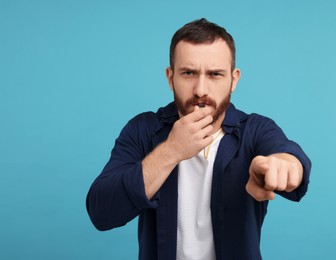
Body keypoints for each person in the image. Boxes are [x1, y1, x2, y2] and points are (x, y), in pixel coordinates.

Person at [86, 18, 311, 260]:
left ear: (233, 80)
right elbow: (101, 211)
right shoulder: (142, 130)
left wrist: (284, 165)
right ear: (170, 77)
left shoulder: (255, 130)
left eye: (215, 74)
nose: (200, 90)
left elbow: (288, 155)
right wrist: (171, 150)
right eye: (188, 73)